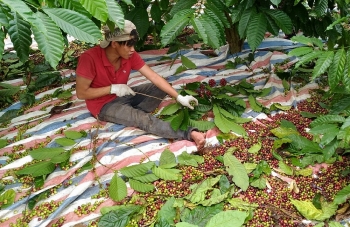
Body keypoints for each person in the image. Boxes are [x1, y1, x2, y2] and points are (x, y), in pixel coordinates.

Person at [75, 20, 206, 149]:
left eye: (134, 45)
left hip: (124, 95)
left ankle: (131, 113)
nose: (133, 50)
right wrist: (112, 89)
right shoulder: (89, 58)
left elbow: (154, 76)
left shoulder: (129, 54)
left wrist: (179, 97)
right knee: (143, 119)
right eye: (129, 45)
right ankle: (189, 133)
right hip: (103, 106)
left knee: (161, 87)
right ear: (114, 43)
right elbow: (81, 93)